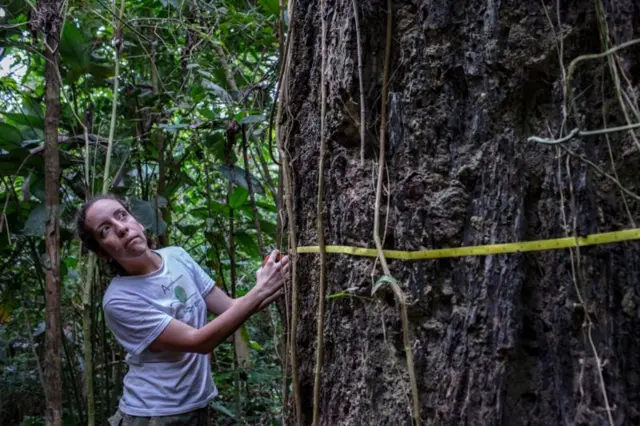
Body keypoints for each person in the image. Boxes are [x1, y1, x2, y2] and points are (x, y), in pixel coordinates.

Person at [75, 195, 288, 426]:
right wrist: (260, 290)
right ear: (102, 252)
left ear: (137, 221)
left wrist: (275, 280)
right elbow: (198, 342)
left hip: (196, 405)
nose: (121, 228)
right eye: (105, 230)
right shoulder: (119, 300)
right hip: (154, 413)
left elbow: (231, 308)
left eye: (121, 215)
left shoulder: (176, 256)